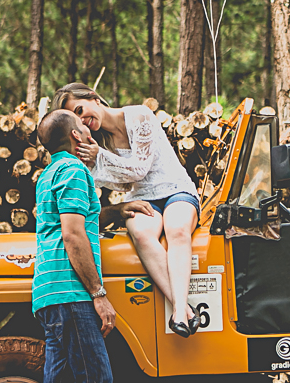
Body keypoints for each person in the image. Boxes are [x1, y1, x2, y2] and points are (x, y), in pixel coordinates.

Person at [32, 108, 153, 383]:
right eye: (83, 127)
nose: (90, 132)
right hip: (71, 293)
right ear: (72, 137)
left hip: (52, 292)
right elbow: (72, 233)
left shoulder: (51, 173)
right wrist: (98, 293)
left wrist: (116, 212)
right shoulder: (74, 172)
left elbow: (77, 220)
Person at [53, 83, 201, 338]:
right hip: (142, 197)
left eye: (80, 109)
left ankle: (177, 312)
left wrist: (100, 156)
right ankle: (185, 310)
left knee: (177, 229)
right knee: (142, 235)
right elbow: (123, 183)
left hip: (176, 189)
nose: (83, 120)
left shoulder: (139, 115)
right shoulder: (98, 141)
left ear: (93, 98)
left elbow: (139, 170)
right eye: (77, 119)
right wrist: (92, 162)